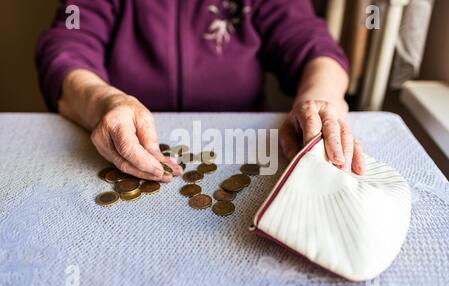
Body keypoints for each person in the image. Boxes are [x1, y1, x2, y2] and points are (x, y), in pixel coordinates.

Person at [36, 0, 365, 182]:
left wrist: (319, 100)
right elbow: (67, 46)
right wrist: (104, 101)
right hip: (119, 148)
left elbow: (313, 46)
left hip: (241, 150)